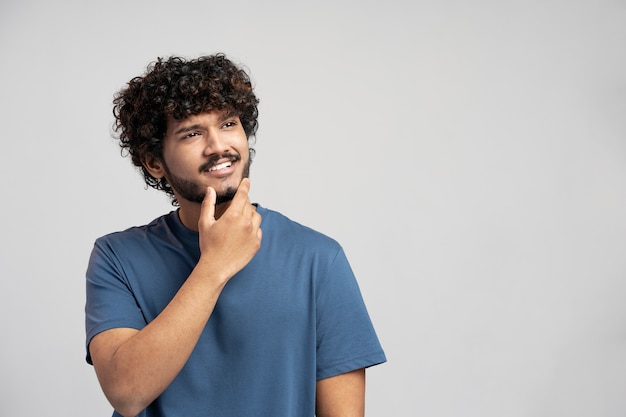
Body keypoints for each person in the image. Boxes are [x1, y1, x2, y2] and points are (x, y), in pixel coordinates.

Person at [85, 53, 386, 417]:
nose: (218, 146)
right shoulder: (117, 257)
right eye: (192, 133)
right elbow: (126, 393)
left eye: (228, 123)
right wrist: (215, 266)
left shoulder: (318, 259)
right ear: (154, 162)